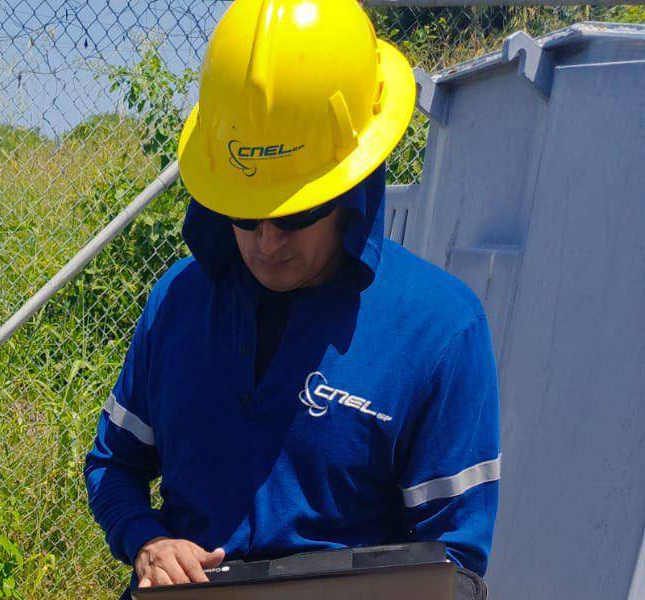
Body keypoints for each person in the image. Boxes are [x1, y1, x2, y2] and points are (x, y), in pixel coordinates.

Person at [83, 0, 500, 596]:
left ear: (354, 182)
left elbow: (453, 565)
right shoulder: (178, 302)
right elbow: (113, 465)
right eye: (245, 212)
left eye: (297, 212)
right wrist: (146, 540)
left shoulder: (439, 332)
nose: (267, 240)